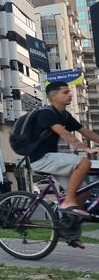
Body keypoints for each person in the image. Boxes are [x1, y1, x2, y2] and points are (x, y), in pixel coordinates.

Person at [29, 81, 99, 228]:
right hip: (41, 158)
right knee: (84, 162)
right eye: (65, 92)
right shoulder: (46, 113)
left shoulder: (64, 115)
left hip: (51, 158)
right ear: (54, 96)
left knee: (83, 191)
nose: (71, 94)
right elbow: (65, 134)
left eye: (70, 92)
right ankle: (68, 203)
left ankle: (67, 225)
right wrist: (85, 149)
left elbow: (86, 132)